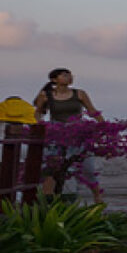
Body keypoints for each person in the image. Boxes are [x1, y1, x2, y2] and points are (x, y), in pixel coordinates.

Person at [34, 68, 104, 201]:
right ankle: (47, 200)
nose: (69, 77)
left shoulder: (79, 94)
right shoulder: (46, 95)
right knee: (51, 169)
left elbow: (92, 111)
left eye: (70, 75)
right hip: (56, 135)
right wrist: (39, 125)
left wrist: (103, 126)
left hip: (77, 134)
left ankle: (97, 196)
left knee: (87, 168)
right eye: (65, 75)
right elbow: (38, 112)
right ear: (54, 80)